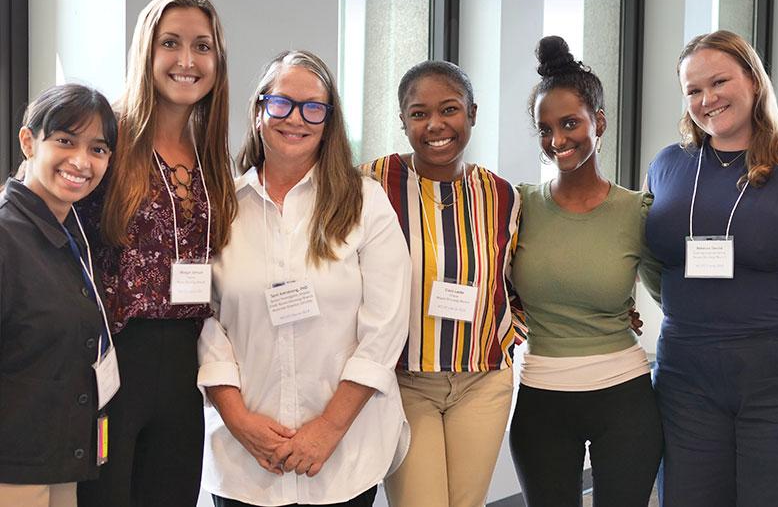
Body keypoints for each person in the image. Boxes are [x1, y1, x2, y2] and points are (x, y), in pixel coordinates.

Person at [197, 50, 411, 507]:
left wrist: (328, 428)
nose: (296, 118)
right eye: (282, 103)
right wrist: (238, 420)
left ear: (329, 121)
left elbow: (386, 325)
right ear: (259, 111)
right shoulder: (220, 206)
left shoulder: (364, 203)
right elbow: (203, 318)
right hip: (244, 459)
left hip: (344, 455)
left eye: (314, 107)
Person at [77, 0, 237, 507]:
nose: (187, 61)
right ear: (146, 51)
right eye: (171, 43)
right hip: (111, 360)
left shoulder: (213, 155)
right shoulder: (106, 137)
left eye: (202, 46)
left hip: (183, 366)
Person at [646, 29, 778, 507]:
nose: (707, 99)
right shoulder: (669, 164)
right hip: (685, 375)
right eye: (693, 90)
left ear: (753, 80)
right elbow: (652, 261)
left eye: (719, 82)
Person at [362, 60, 524, 507]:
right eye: (419, 114)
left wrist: (511, 337)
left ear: (472, 112)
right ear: (403, 121)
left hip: (482, 381)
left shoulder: (503, 195)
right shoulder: (370, 184)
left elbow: (516, 281)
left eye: (449, 109)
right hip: (405, 381)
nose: (435, 124)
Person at [508, 36, 662, 507]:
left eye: (570, 123)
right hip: (542, 397)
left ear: (599, 122)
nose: (557, 141)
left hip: (625, 398)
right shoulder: (518, 206)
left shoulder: (638, 210)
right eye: (545, 129)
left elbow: (670, 294)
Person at [0, 84, 117, 507]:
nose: (81, 162)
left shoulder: (72, 234)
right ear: (28, 141)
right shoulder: (6, 234)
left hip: (62, 460)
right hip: (13, 467)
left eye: (98, 149)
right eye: (65, 141)